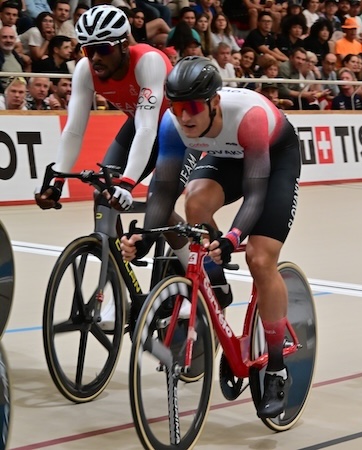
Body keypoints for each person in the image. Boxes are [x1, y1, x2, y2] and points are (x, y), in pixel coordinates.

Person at [120, 57, 302, 419]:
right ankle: (216, 283)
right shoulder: (173, 124)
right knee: (195, 203)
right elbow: (163, 191)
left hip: (273, 158)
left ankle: (277, 369)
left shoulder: (249, 117)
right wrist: (143, 238)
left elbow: (255, 194)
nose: (184, 117)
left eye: (192, 108)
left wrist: (234, 236)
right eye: (176, 107)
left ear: (214, 102)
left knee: (259, 258)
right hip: (225, 153)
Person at [35, 5, 171, 214]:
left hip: (176, 130)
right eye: (88, 50)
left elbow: (147, 128)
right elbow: (73, 130)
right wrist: (57, 181)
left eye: (104, 49)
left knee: (160, 204)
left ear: (124, 45)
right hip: (141, 123)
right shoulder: (85, 69)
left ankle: (181, 236)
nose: (95, 57)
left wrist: (127, 183)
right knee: (104, 194)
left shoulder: (148, 61)